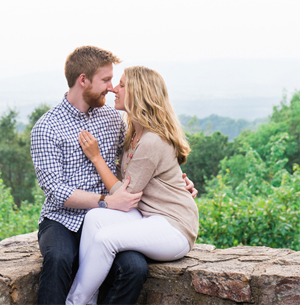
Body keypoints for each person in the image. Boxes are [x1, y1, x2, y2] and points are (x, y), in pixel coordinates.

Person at [31, 46, 196, 305]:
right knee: (60, 258)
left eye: (116, 82)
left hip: (116, 215)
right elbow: (55, 191)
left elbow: (141, 164)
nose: (111, 88)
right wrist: (105, 201)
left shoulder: (114, 119)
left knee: (134, 268)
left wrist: (176, 181)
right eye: (106, 80)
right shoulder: (47, 127)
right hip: (64, 218)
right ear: (83, 80)